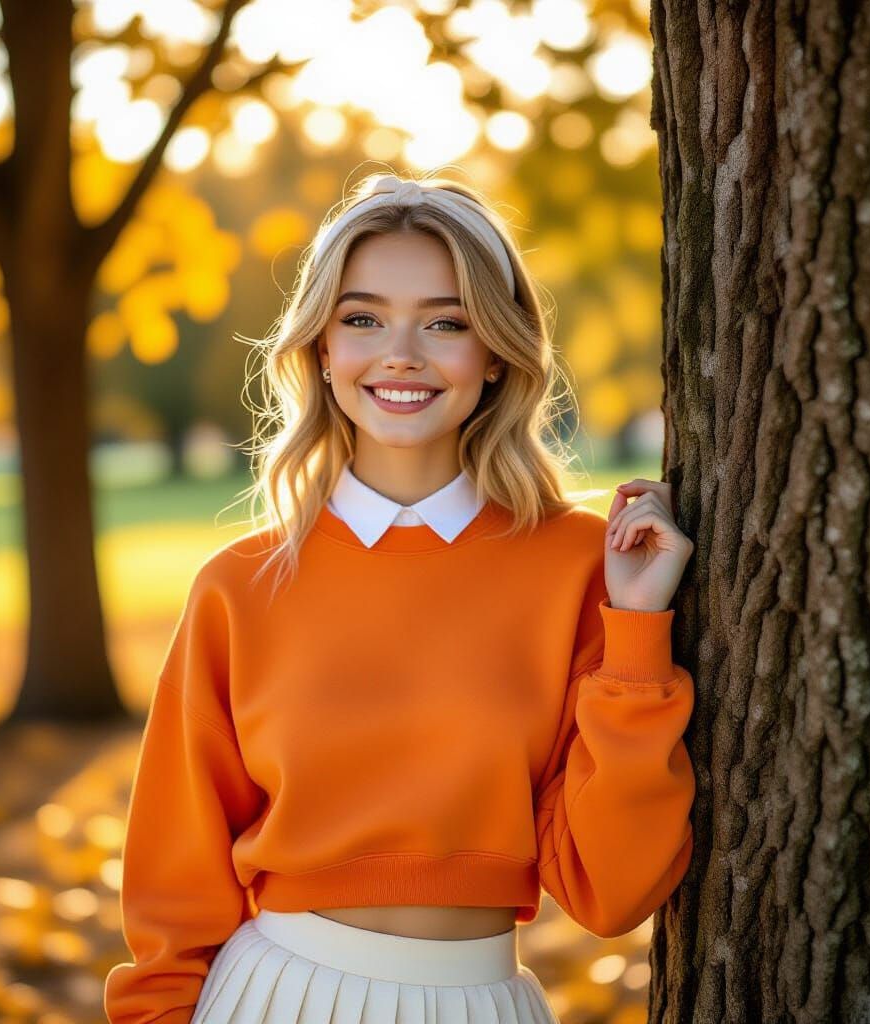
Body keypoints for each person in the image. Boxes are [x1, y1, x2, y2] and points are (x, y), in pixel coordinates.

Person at [103, 171, 697, 1024]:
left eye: (446, 322)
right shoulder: (239, 586)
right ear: (320, 347)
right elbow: (173, 888)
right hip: (273, 997)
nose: (401, 354)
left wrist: (637, 634)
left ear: (495, 352)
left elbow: (614, 890)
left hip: (481, 1003)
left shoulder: (582, 567)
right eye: (363, 318)